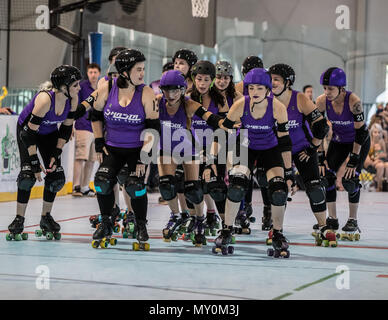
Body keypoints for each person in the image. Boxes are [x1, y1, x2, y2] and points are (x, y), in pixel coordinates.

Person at [213, 68, 293, 257]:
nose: (254, 92)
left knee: (279, 190)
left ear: (267, 90)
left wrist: (289, 173)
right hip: (246, 145)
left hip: (270, 148)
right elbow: (223, 128)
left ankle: (278, 233)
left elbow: (285, 142)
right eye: (251, 88)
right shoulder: (240, 105)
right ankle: (226, 230)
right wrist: (215, 160)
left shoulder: (278, 108)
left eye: (259, 88)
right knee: (236, 186)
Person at [89, 49, 159, 250]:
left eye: (143, 69)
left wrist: (142, 159)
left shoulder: (145, 92)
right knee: (101, 183)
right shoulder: (108, 87)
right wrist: (99, 142)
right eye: (138, 69)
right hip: (113, 149)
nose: (142, 74)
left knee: (135, 185)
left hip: (137, 149)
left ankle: (140, 225)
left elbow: (153, 129)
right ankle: (106, 222)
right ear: (125, 71)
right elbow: (95, 115)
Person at [6, 65, 81, 241]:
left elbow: (65, 130)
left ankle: (45, 218)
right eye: (75, 84)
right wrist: (33, 161)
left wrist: (56, 152)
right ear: (63, 87)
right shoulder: (45, 99)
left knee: (56, 177)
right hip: (27, 131)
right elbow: (28, 133)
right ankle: (19, 219)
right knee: (27, 176)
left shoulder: (73, 100)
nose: (79, 88)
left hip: (48, 132)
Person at [157, 69, 227, 245]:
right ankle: (175, 216)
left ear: (182, 90)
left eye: (175, 90)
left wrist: (227, 123)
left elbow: (210, 118)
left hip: (188, 148)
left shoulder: (189, 104)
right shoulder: (157, 103)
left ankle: (200, 219)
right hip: (166, 149)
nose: (170, 95)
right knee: (166, 186)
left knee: (193, 189)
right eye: (166, 90)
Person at [268, 63, 336, 247]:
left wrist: (313, 148)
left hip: (301, 149)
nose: (272, 83)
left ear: (287, 82)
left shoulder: (299, 99)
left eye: (277, 79)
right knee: (279, 191)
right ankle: (277, 229)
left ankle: (323, 226)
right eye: (271, 79)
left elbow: (322, 126)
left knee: (314, 188)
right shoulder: (265, 98)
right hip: (278, 151)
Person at [316, 67, 371, 241]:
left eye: (330, 89)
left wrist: (353, 160)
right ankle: (332, 219)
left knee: (350, 179)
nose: (327, 92)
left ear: (341, 88)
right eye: (325, 88)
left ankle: (352, 220)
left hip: (358, 142)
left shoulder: (353, 101)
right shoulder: (322, 101)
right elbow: (318, 130)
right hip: (339, 141)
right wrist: (320, 157)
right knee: (327, 177)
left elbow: (361, 133)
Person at [72, 63, 101, 197]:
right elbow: (75, 104)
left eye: (95, 72)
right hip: (83, 126)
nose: (93, 75)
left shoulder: (102, 87)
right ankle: (76, 186)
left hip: (96, 127)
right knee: (80, 157)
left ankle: (84, 186)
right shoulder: (82, 86)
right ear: (87, 74)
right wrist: (72, 123)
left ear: (99, 73)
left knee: (91, 160)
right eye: (91, 72)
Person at [363, 123, 388, 191]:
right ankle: (378, 186)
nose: (377, 134)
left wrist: (379, 156)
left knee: (386, 165)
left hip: (380, 161)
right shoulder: (368, 142)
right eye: (375, 132)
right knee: (380, 166)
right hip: (369, 164)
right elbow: (366, 157)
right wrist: (375, 160)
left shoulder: (381, 141)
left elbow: (385, 154)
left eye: (379, 132)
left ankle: (385, 184)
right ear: (371, 133)